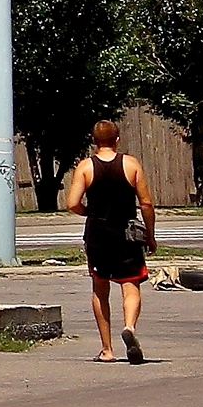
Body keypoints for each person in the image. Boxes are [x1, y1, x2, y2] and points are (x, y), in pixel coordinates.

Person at [65, 120, 156, 362]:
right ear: (117, 140)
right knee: (131, 285)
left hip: (97, 234)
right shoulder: (131, 164)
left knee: (100, 288)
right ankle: (129, 327)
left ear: (94, 142)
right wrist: (150, 234)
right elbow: (146, 203)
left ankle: (107, 349)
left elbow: (72, 203)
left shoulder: (85, 167)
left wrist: (89, 213)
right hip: (126, 233)